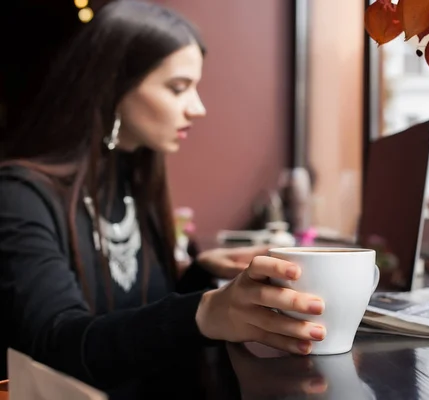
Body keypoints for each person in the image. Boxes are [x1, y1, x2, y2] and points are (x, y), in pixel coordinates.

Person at [0, 0, 326, 389]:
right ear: (112, 87)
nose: (198, 108)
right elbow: (58, 345)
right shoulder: (18, 197)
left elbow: (135, 320)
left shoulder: (129, 179)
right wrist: (204, 311)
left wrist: (201, 273)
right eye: (178, 88)